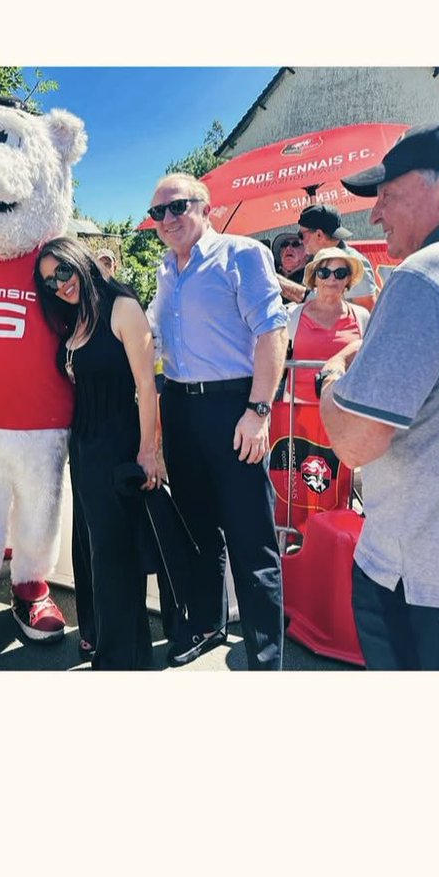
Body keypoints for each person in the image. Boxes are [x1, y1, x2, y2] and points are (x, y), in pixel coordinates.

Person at [320, 121, 439, 670]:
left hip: (426, 585)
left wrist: (333, 378)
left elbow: (356, 442)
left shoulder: (430, 274)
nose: (374, 214)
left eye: (388, 194)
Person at [148, 173, 288, 669]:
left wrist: (258, 410)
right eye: (158, 212)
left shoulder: (242, 254)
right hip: (181, 407)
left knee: (252, 539)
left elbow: (273, 331)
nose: (166, 219)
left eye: (176, 206)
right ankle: (208, 625)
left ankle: (265, 658)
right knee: (198, 532)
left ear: (206, 207)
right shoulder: (165, 270)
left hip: (234, 407)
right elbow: (153, 343)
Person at [36, 237, 162, 670]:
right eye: (50, 282)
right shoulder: (75, 316)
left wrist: (150, 451)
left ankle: (122, 660)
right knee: (94, 552)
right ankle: (104, 644)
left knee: (115, 557)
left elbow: (147, 386)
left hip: (117, 445)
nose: (59, 285)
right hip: (85, 446)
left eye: (64, 272)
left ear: (81, 261)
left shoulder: (121, 306)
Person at [285, 246, 369, 403]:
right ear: (314, 279)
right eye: (324, 273)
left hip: (346, 408)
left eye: (340, 273)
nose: (332, 279)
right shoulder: (291, 316)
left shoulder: (362, 317)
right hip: (297, 410)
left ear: (347, 280)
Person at [278, 204, 378, 311]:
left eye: (301, 235)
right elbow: (314, 299)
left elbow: (368, 314)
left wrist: (274, 279)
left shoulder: (353, 263)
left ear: (319, 235)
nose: (300, 241)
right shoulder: (321, 261)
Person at [271, 231, 307, 302]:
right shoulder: (272, 270)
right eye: (284, 244)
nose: (288, 248)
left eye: (296, 244)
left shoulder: (313, 277)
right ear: (280, 253)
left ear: (307, 252)